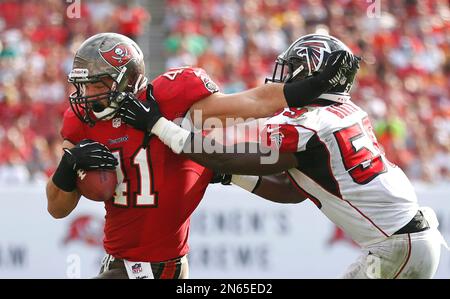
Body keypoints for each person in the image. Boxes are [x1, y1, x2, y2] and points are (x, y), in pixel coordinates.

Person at [124, 34, 447, 279]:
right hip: (413, 240)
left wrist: (158, 126)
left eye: (292, 70)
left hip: (396, 246)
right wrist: (231, 176)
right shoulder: (347, 111)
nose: (284, 77)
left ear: (311, 72)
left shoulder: (307, 125)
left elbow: (226, 157)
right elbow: (292, 191)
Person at [45, 32, 351, 279]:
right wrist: (68, 165)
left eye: (97, 85)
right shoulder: (83, 123)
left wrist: (312, 88)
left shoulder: (171, 101)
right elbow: (57, 208)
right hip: (116, 260)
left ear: (126, 80)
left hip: (151, 267)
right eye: (83, 86)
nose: (87, 96)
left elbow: (254, 102)